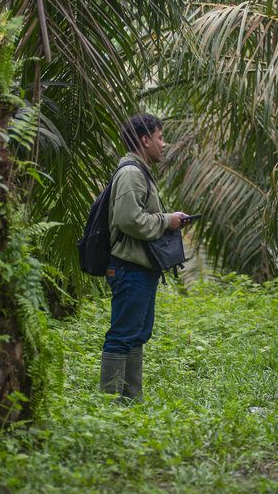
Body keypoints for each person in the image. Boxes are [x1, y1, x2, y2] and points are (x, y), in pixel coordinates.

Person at [100, 113, 190, 402]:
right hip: (129, 268)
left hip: (141, 268)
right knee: (123, 334)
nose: (164, 144)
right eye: (160, 137)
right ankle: (110, 405)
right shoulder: (131, 172)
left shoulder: (141, 170)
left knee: (138, 333)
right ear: (145, 139)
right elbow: (128, 220)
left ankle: (130, 400)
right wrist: (166, 221)